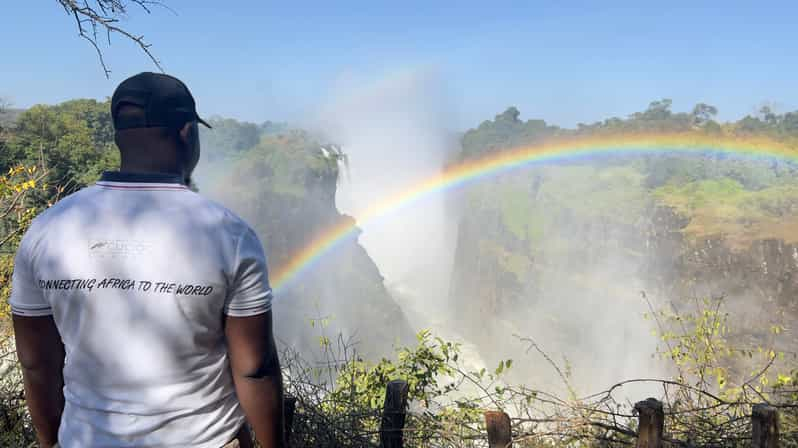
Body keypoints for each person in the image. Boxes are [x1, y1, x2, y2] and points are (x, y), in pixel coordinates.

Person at [10, 72, 285, 447]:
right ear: (187, 132)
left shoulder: (46, 231)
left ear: (117, 134)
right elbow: (254, 369)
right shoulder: (229, 234)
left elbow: (36, 363)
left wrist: (51, 441)